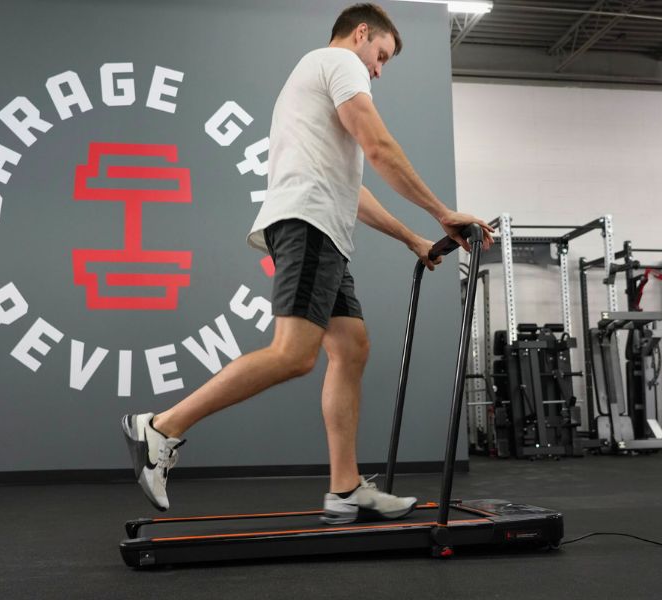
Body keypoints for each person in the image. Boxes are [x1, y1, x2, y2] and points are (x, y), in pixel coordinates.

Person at [122, 2, 494, 525]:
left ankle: (344, 488)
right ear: (362, 34)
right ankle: (160, 428)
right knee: (294, 355)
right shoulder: (338, 63)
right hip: (308, 225)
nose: (379, 69)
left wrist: (413, 238)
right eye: (381, 55)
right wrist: (442, 212)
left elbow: (354, 189)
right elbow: (380, 146)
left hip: (323, 230)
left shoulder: (315, 83)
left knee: (351, 347)